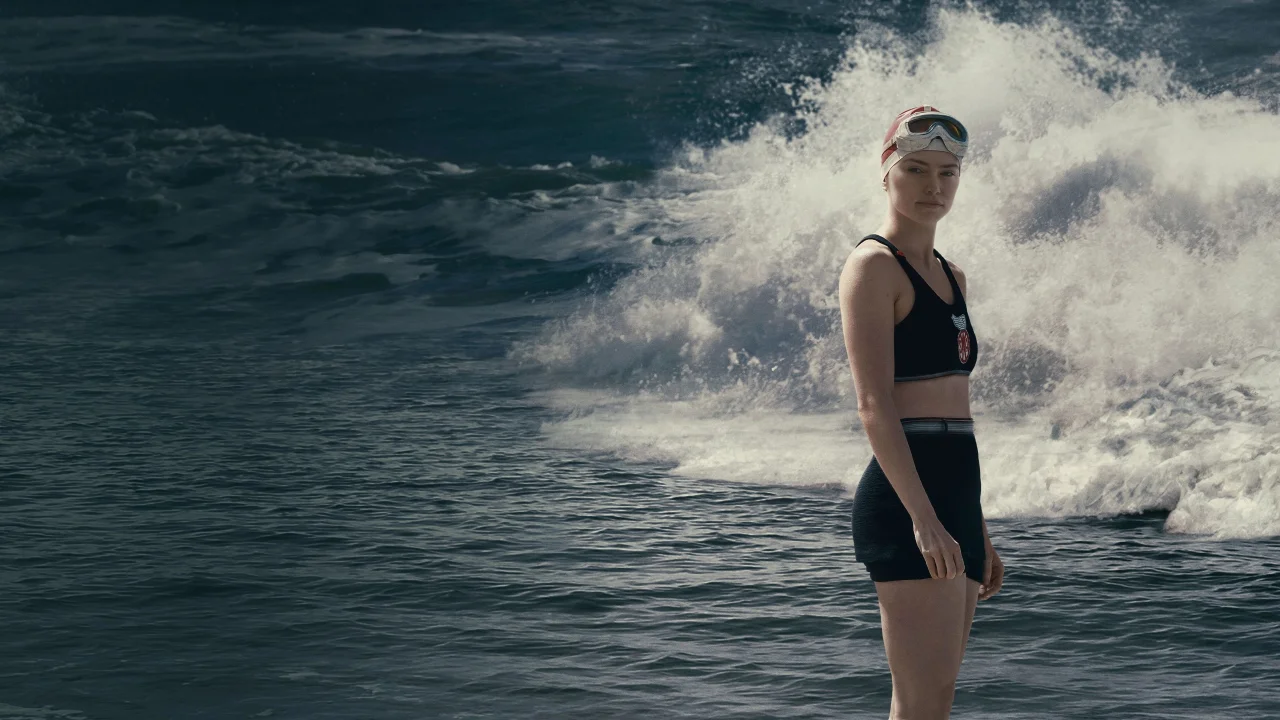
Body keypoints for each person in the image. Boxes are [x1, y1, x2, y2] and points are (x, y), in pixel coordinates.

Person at [838, 106, 1005, 720]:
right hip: (908, 500)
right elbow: (873, 404)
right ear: (887, 173)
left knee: (936, 700)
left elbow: (957, 408)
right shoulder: (873, 266)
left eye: (947, 173)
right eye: (916, 169)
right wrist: (925, 520)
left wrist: (974, 525)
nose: (934, 186)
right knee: (919, 704)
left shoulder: (953, 274)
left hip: (956, 489)